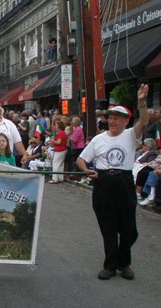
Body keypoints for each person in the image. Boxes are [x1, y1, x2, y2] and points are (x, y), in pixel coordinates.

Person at [76, 84, 149, 281]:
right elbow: (81, 159)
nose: (112, 121)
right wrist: (86, 170)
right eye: (110, 117)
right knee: (108, 227)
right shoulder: (98, 139)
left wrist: (141, 101)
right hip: (103, 183)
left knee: (129, 230)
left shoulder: (131, 135)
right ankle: (111, 265)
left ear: (126, 121)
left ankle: (123, 261)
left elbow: (144, 120)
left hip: (124, 182)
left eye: (117, 118)